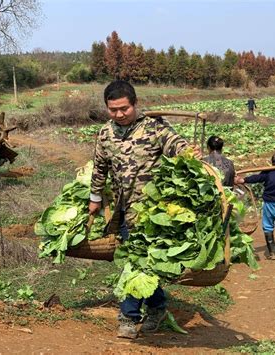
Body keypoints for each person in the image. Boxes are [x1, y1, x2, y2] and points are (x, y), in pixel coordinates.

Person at [89, 80, 201, 339]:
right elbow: (99, 167)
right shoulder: (105, 133)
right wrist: (95, 197)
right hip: (123, 211)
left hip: (153, 214)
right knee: (143, 264)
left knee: (136, 263)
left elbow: (177, 146)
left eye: (124, 109)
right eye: (113, 109)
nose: (119, 114)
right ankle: (158, 307)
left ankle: (128, 317)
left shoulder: (154, 129)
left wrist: (189, 153)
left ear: (135, 104)